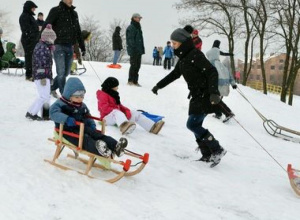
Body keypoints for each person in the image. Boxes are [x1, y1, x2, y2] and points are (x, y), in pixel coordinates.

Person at [151, 28, 227, 164]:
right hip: (196, 96)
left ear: (182, 42)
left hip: (205, 95)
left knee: (192, 124)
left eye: (175, 43)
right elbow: (174, 75)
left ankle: (217, 149)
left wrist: (214, 92)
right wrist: (158, 85)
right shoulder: (183, 59)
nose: (173, 46)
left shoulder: (195, 55)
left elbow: (212, 72)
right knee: (196, 124)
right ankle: (207, 154)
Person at [50, 77, 128, 158]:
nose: (80, 99)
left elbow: (88, 116)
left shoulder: (82, 105)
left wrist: (91, 124)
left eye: (82, 97)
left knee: (97, 134)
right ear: (69, 95)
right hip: (67, 131)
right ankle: (100, 150)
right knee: (86, 140)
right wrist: (66, 119)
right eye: (77, 97)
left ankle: (115, 146)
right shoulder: (60, 104)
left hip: (82, 127)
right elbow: (53, 113)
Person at [45, 0, 86, 98]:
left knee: (66, 72)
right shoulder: (55, 11)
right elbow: (46, 26)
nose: (70, 1)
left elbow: (78, 30)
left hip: (69, 46)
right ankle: (65, 96)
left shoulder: (74, 13)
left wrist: (82, 46)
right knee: (61, 72)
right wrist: (43, 42)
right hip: (58, 45)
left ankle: (51, 87)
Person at [97, 77, 165, 135]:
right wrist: (118, 111)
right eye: (116, 86)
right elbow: (104, 108)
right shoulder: (103, 95)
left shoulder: (113, 94)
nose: (117, 88)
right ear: (111, 87)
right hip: (106, 119)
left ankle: (152, 127)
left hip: (117, 117)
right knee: (116, 112)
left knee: (135, 113)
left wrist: (126, 111)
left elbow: (119, 105)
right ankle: (124, 126)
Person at [25, 24, 57, 121]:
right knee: (43, 96)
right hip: (41, 76)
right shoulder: (41, 47)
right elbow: (39, 63)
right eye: (53, 39)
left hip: (45, 75)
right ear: (48, 38)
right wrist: (43, 76)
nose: (53, 41)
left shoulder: (46, 47)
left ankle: (45, 114)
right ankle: (32, 113)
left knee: (46, 96)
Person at [206, 40, 236, 122]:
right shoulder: (221, 65)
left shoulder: (210, 66)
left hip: (216, 86)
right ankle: (218, 113)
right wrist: (233, 84)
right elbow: (228, 74)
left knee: (215, 100)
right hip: (222, 86)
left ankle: (228, 113)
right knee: (213, 100)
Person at [19, 0, 39, 81]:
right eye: (33, 8)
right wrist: (35, 34)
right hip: (28, 40)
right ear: (29, 8)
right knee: (29, 57)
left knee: (33, 57)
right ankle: (29, 75)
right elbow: (26, 30)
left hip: (33, 40)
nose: (34, 9)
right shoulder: (24, 16)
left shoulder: (30, 16)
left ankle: (33, 73)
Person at [126, 13, 145, 86]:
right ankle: (130, 80)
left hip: (139, 50)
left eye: (140, 18)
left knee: (138, 66)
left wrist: (141, 49)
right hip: (134, 50)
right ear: (134, 18)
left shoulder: (138, 27)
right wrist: (134, 48)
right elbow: (130, 39)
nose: (139, 19)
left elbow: (140, 39)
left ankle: (135, 81)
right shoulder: (131, 27)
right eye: (138, 18)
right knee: (133, 65)